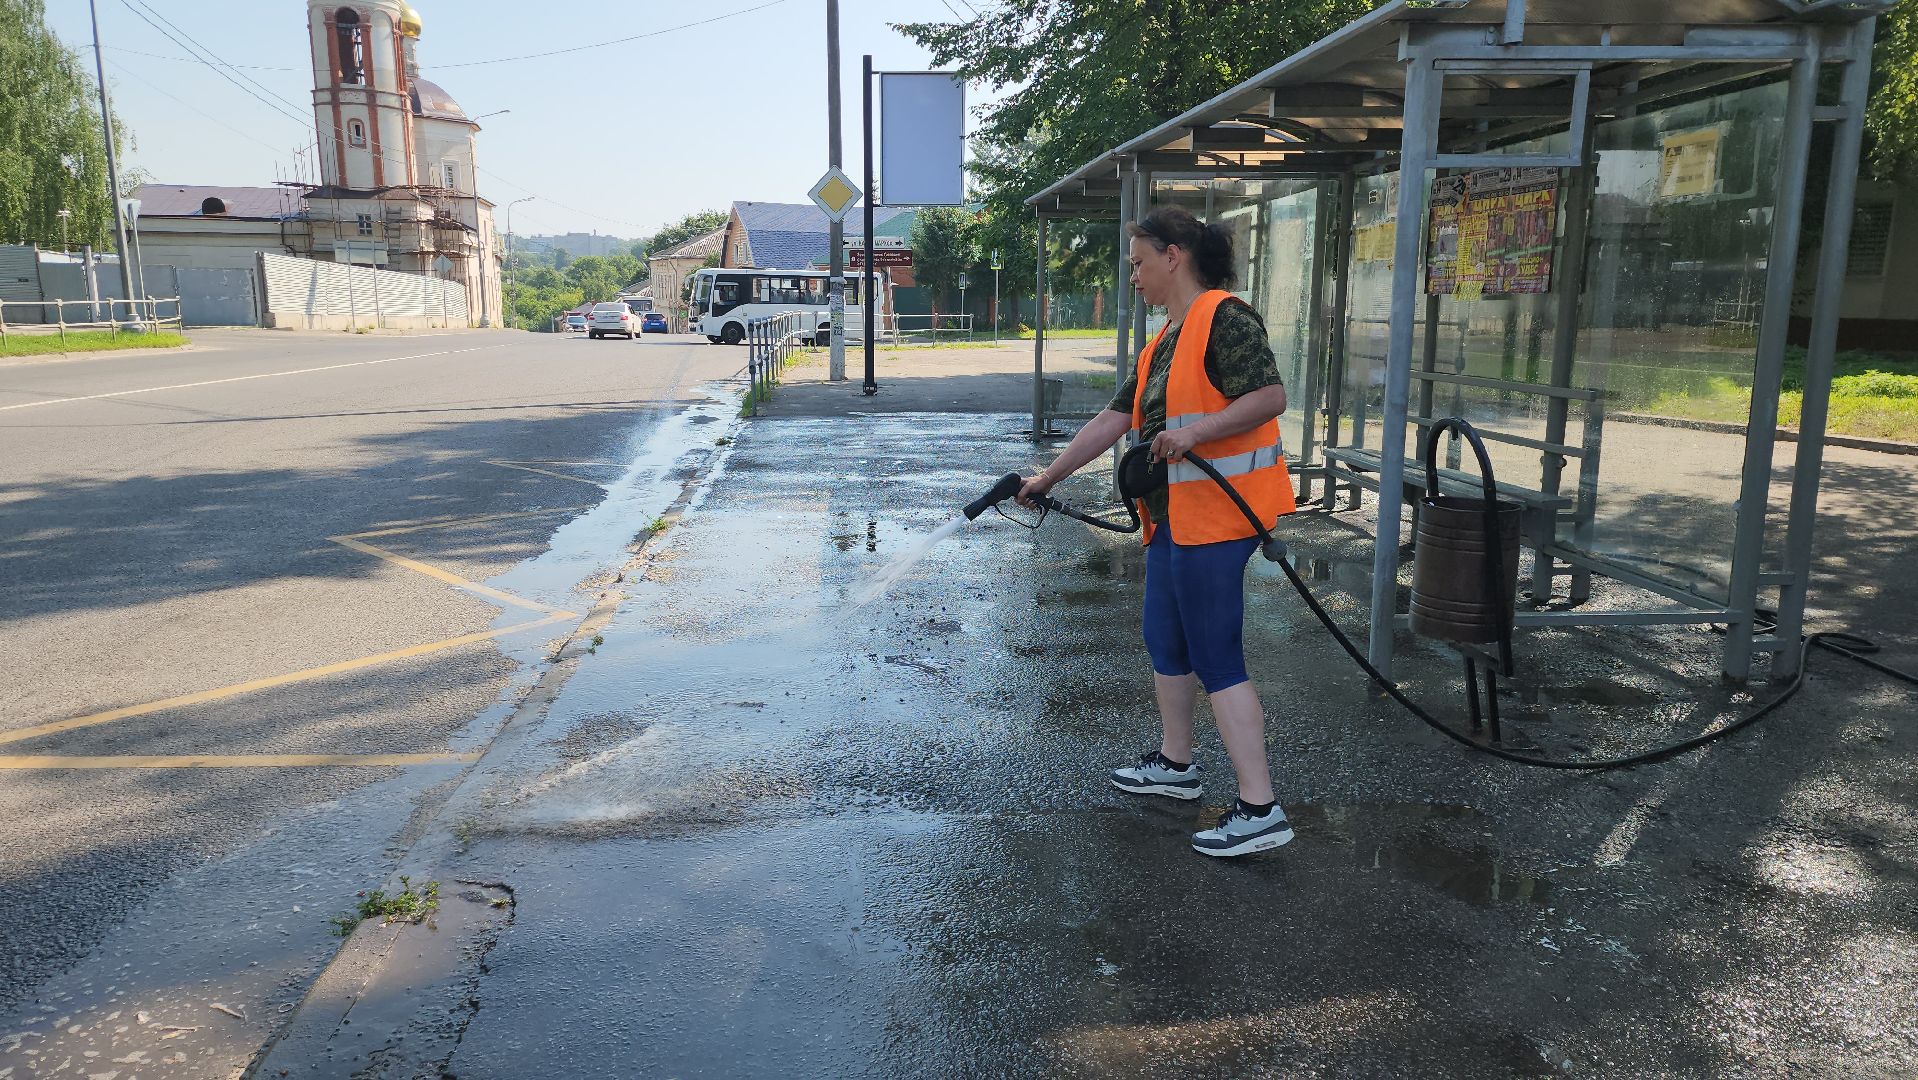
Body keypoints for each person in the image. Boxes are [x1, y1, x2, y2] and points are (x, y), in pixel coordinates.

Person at [1018, 205, 1298, 857]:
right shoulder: (1164, 340)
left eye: (1139, 262)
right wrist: (1047, 478)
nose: (1134, 276)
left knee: (1215, 653)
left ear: (1175, 256)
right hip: (1173, 521)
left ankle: (1260, 807)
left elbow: (1268, 396)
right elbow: (1112, 420)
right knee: (1164, 639)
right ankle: (1178, 767)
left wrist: (1195, 432)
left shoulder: (1224, 317)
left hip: (1220, 519)